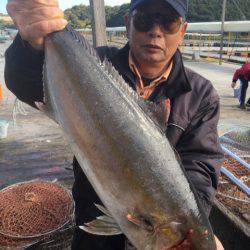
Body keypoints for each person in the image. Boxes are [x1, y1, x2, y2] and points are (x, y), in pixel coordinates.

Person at [5, 0, 224, 249]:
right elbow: (28, 84)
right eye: (144, 19)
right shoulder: (96, 61)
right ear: (128, 23)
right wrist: (31, 45)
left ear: (182, 31)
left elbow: (201, 167)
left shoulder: (201, 95)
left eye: (168, 22)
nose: (155, 30)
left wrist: (195, 223)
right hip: (92, 240)